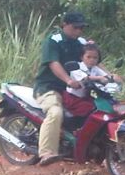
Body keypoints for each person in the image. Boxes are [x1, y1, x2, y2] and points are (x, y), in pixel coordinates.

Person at [32, 11, 89, 165]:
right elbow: (53, 63)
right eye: (75, 27)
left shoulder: (82, 43)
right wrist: (68, 80)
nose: (78, 31)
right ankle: (46, 152)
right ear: (64, 25)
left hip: (74, 91)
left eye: (81, 28)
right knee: (55, 112)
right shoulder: (54, 41)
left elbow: (94, 58)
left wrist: (109, 76)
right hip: (49, 87)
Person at [63, 43, 123, 118]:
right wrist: (100, 78)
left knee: (109, 105)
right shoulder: (76, 68)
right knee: (93, 110)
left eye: (95, 58)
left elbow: (105, 77)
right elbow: (86, 78)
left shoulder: (95, 68)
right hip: (73, 98)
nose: (92, 60)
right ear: (82, 57)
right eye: (88, 57)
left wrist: (113, 78)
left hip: (88, 96)